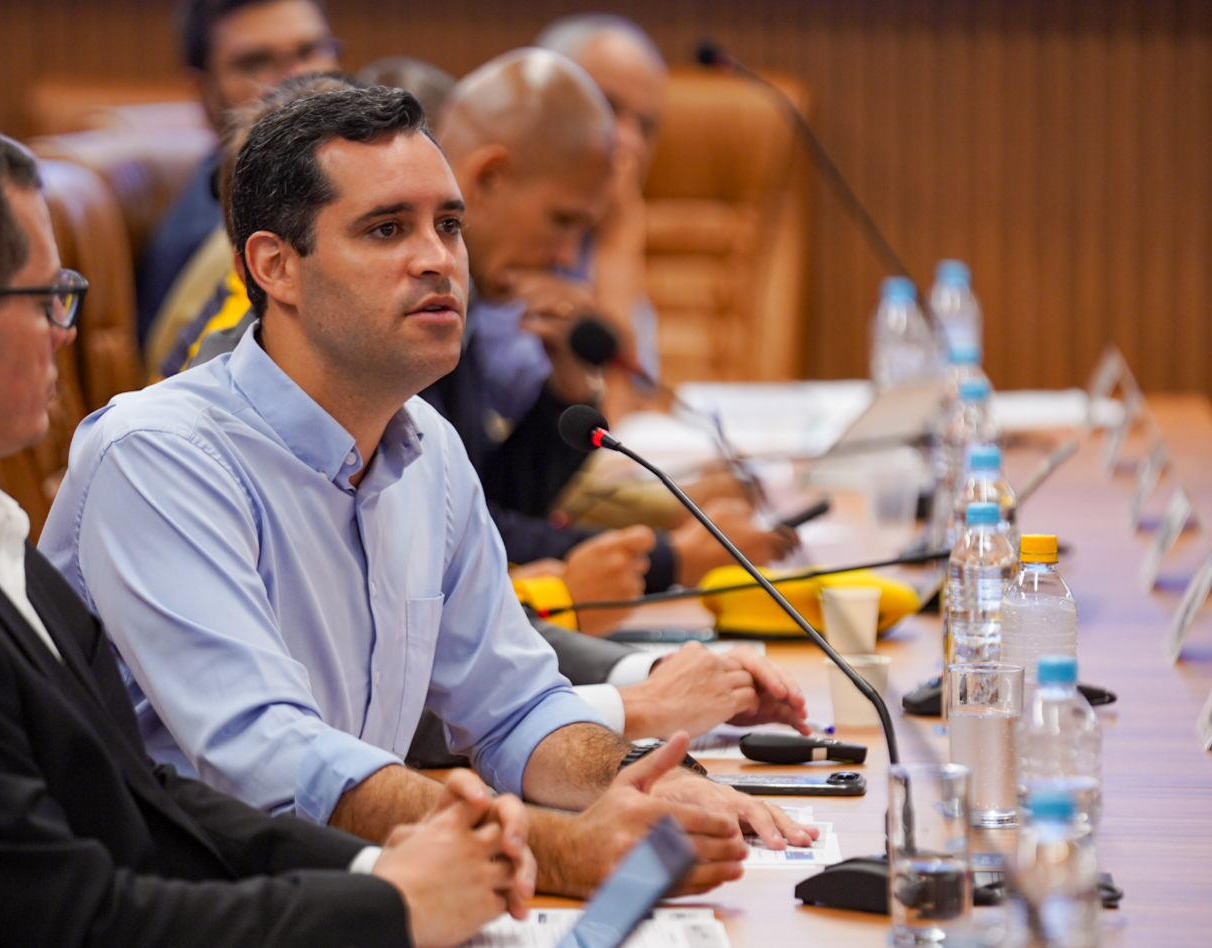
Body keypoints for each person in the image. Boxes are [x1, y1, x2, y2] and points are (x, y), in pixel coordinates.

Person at [41, 85, 817, 899]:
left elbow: (515, 709)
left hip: (354, 896)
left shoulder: (428, 448)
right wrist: (558, 850)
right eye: (386, 229)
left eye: (448, 225)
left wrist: (646, 783)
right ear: (275, 267)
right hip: (194, 908)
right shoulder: (159, 457)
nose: (437, 258)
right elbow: (268, 760)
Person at [0, 113, 532, 948]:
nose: (67, 329)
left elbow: (150, 804)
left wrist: (380, 869)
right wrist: (391, 907)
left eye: (448, 226)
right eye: (49, 298)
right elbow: (66, 919)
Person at [428, 50, 797, 608]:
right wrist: (671, 559)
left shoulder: (464, 295)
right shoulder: (410, 306)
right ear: (489, 177)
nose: (565, 256)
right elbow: (454, 540)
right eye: (562, 221)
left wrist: (567, 391)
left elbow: (486, 500)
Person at [138, 0, 341, 349]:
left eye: (309, 51)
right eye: (256, 62)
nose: (297, 77)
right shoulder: (214, 238)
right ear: (202, 89)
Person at [535, 14, 668, 420]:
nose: (629, 142)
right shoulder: (506, 249)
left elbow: (632, 402)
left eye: (646, 126)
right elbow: (602, 420)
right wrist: (619, 242)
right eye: (607, 106)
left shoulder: (601, 231)